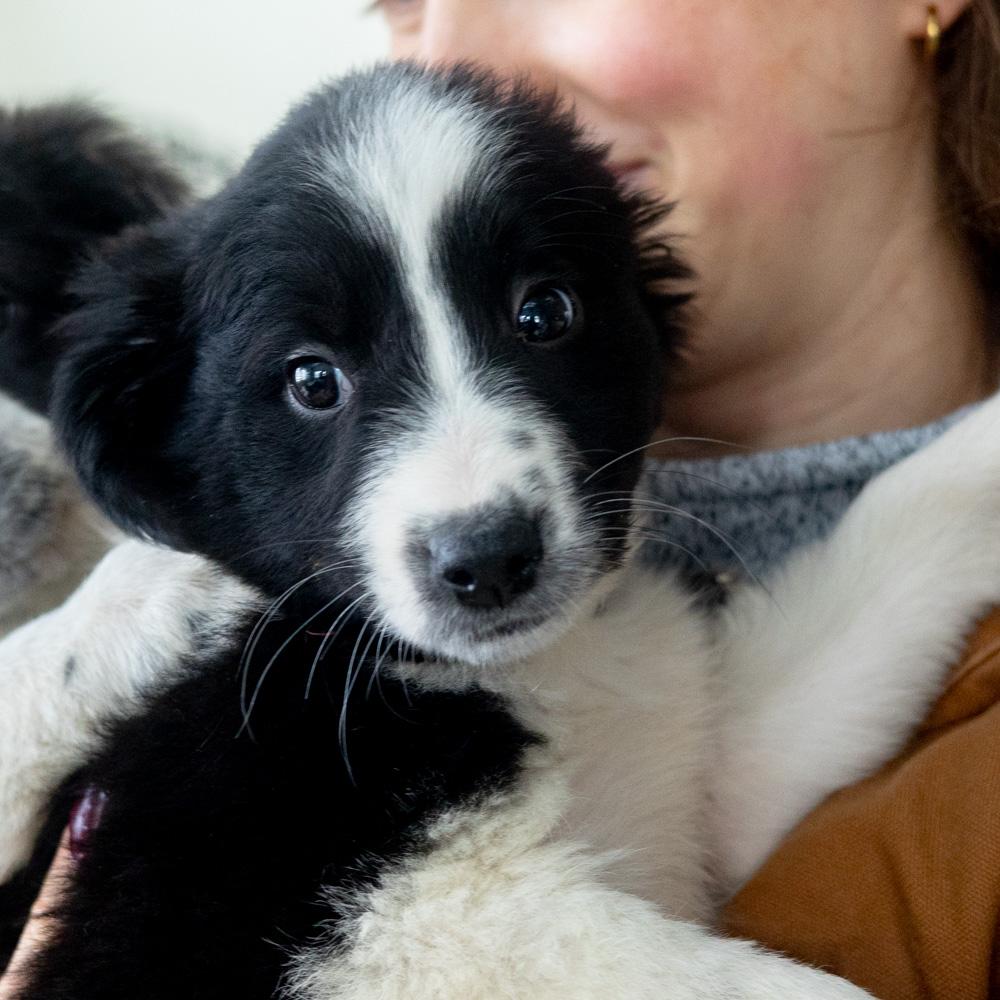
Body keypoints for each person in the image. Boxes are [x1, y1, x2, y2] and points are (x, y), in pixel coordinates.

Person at [3, 2, 999, 998]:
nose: (455, 56)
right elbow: (409, 922)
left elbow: (714, 782)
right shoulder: (211, 639)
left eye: (538, 313)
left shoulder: (641, 633)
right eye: (397, 5)